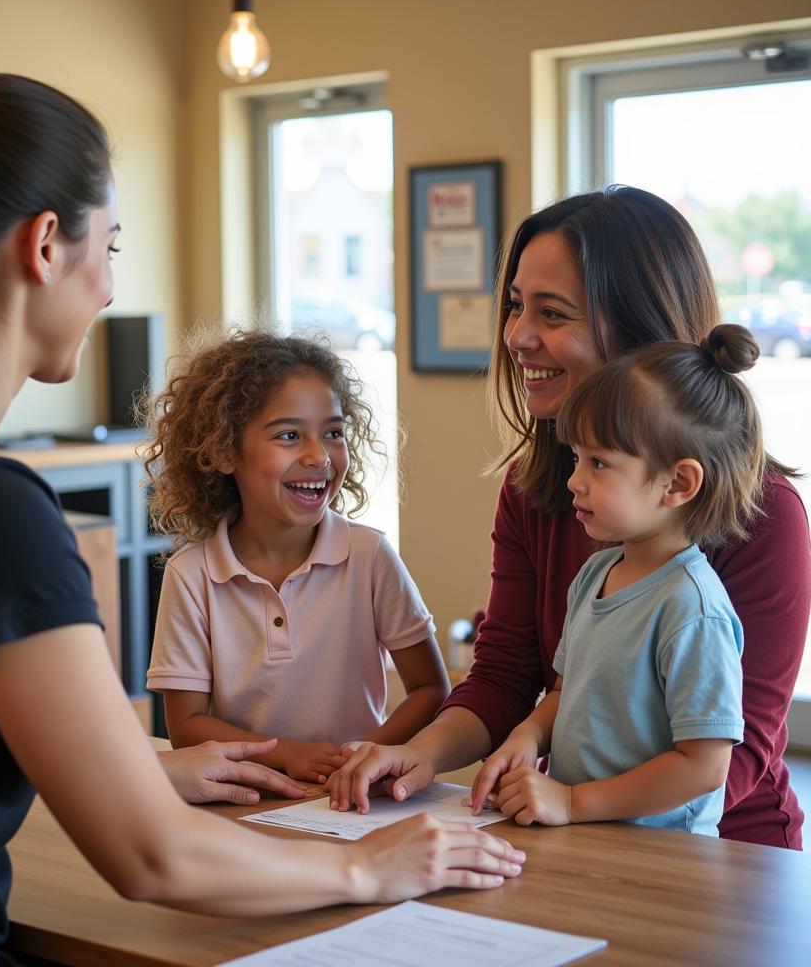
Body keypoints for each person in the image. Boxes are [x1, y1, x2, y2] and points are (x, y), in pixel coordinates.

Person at [0, 75, 525, 965]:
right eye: (111, 245)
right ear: (46, 246)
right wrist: (373, 867)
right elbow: (151, 858)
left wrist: (145, 770)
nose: (108, 288)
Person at [330, 186, 811, 850]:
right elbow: (507, 674)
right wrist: (426, 752)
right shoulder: (538, 485)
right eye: (516, 306)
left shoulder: (765, 518)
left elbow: (730, 760)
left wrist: (573, 805)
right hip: (582, 830)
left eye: (552, 314)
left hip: (721, 852)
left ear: (640, 331)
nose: (516, 336)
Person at [469, 325, 762, 834]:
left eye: (599, 463)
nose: (574, 480)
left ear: (678, 483)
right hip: (584, 838)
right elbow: (566, 690)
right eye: (576, 458)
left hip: (664, 861)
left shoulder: (691, 609)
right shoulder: (596, 574)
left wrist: (575, 802)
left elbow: (704, 766)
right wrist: (527, 736)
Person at [144, 330, 451, 784]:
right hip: (250, 799)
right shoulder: (191, 575)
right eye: (289, 435)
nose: (319, 456)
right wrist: (285, 756)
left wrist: (368, 757)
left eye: (333, 433)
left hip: (355, 798)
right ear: (223, 452)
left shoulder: (369, 555)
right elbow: (186, 726)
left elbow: (430, 688)